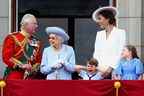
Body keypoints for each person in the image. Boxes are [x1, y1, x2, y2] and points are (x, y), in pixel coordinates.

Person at [2, 14, 42, 79]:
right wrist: (22, 66)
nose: (36, 26)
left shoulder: (37, 41)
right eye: (34, 24)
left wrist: (33, 68)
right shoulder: (12, 38)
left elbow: (38, 61)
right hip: (14, 76)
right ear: (25, 24)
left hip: (30, 78)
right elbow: (7, 57)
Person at [92, 6, 126, 78]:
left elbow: (121, 52)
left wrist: (110, 68)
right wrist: (96, 67)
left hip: (115, 71)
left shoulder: (120, 33)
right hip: (100, 71)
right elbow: (96, 52)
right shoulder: (99, 34)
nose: (98, 21)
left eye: (100, 18)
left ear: (107, 19)